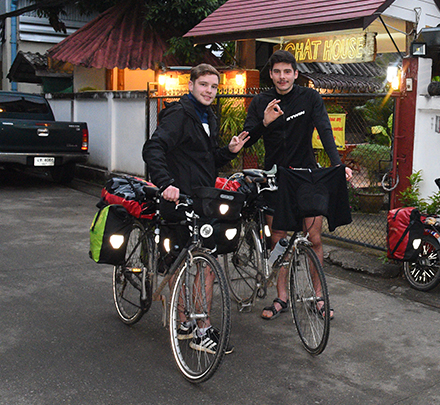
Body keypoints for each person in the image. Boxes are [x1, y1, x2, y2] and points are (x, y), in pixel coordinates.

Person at [143, 63, 249, 353]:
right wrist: (166, 183)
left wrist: (229, 151)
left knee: (205, 262)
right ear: (190, 86)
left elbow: (205, 160)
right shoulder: (179, 115)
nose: (209, 91)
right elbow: (153, 148)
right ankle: (191, 326)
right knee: (180, 262)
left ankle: (196, 324)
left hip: (201, 199)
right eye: (203, 85)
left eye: (214, 87)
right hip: (177, 200)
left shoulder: (207, 117)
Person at [242, 50, 352, 320]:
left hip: (306, 176)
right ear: (271, 74)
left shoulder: (309, 97)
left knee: (314, 238)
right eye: (277, 71)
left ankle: (318, 296)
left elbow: (325, 129)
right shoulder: (261, 101)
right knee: (278, 241)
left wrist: (337, 165)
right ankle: (281, 297)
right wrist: (265, 123)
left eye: (287, 71)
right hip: (274, 177)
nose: (282, 77)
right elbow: (248, 137)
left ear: (295, 74)